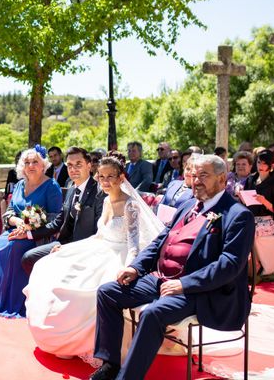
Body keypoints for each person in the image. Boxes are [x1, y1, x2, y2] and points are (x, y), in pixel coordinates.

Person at [90, 155, 255, 380]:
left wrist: (184, 284)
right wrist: (136, 268)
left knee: (153, 314)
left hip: (200, 289)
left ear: (222, 178)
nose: (196, 181)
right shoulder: (188, 205)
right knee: (108, 292)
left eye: (203, 176)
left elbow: (229, 265)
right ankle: (110, 364)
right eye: (194, 175)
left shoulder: (238, 215)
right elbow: (160, 241)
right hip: (161, 278)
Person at [24, 156, 164, 360]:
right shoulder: (107, 200)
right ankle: (55, 336)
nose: (105, 182)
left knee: (82, 290)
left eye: (111, 177)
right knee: (47, 265)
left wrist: (129, 268)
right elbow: (99, 235)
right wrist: (67, 249)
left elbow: (134, 243)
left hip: (120, 254)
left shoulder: (130, 205)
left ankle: (80, 343)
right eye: (102, 177)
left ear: (121, 177)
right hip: (99, 247)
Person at [0, 146, 63, 318]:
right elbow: (9, 211)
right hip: (15, 229)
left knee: (14, 248)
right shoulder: (19, 185)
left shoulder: (51, 186)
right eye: (27, 162)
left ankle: (16, 302)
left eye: (35, 162)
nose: (31, 165)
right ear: (22, 166)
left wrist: (30, 226)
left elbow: (55, 218)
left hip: (38, 235)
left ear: (43, 165)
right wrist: (17, 221)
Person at [16, 147, 105, 275]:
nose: (73, 169)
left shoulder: (100, 192)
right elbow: (58, 221)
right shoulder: (71, 188)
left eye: (78, 164)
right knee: (28, 258)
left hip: (85, 248)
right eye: (69, 165)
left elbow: (99, 232)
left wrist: (67, 248)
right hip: (64, 243)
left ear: (89, 166)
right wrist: (28, 234)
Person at [243, 149, 274, 230]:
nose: (260, 166)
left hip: (267, 222)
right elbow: (245, 203)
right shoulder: (251, 178)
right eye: (259, 162)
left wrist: (264, 201)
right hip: (250, 218)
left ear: (272, 165)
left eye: (265, 163)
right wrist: (242, 197)